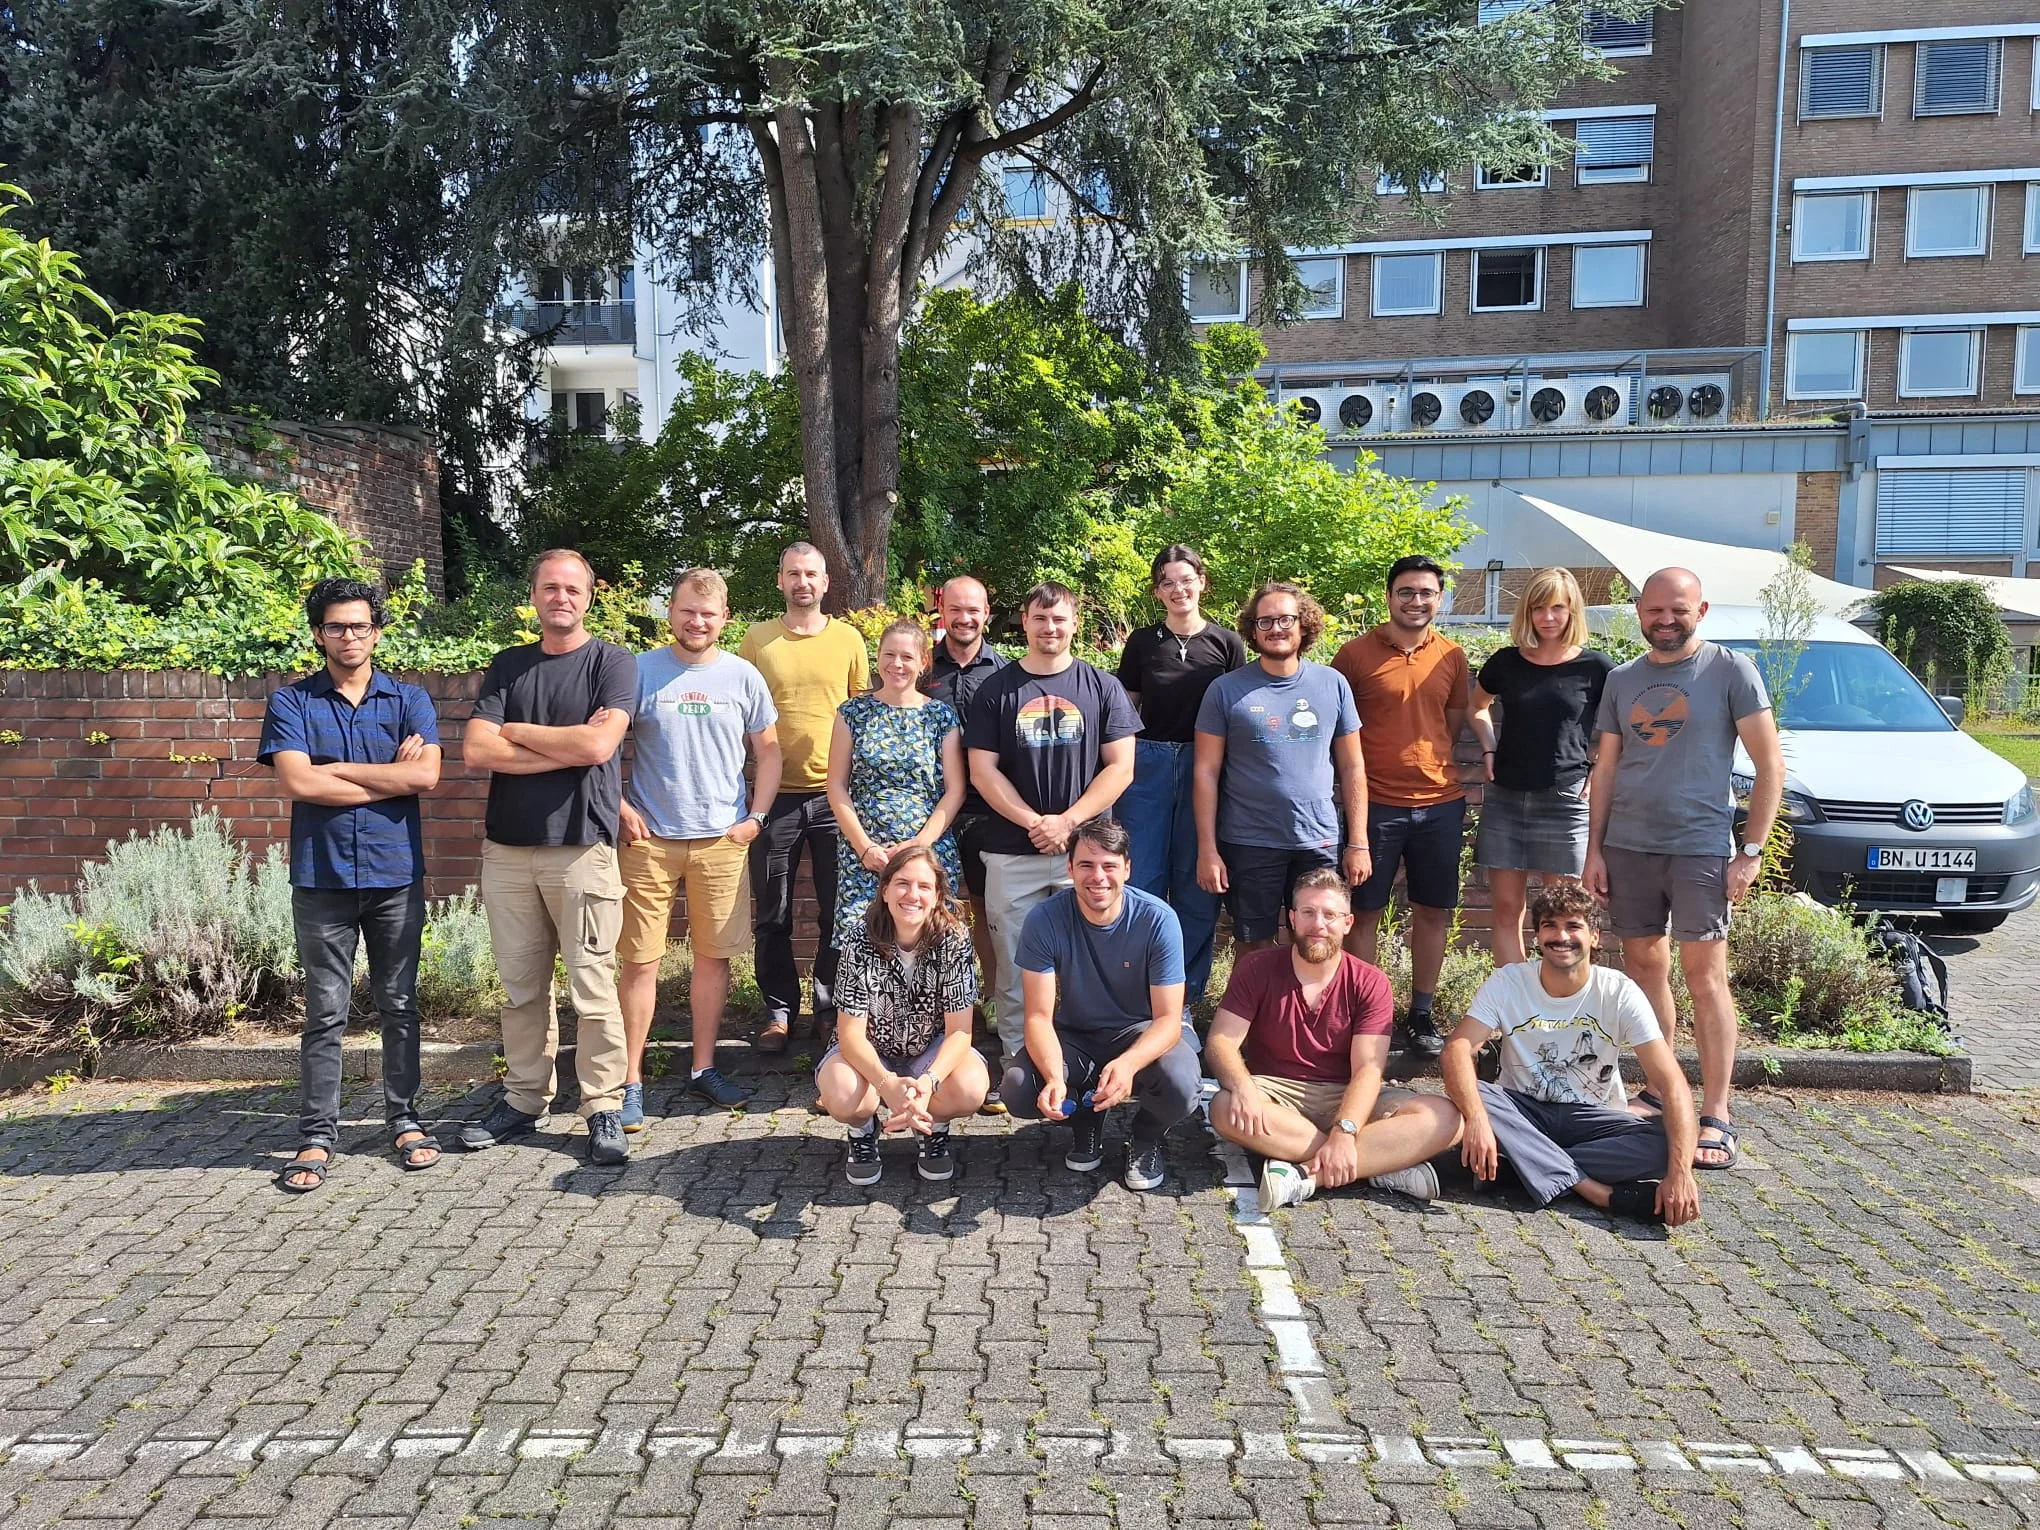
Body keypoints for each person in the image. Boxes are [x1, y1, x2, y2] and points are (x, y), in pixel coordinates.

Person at [1585, 567, 1784, 1172]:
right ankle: (1660, 1090)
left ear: (1701, 611)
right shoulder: (1622, 680)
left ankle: (1717, 1113)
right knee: (1646, 970)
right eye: (1655, 610)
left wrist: (1750, 851)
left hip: (1700, 848)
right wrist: (1595, 850)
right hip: (1629, 846)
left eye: (1678, 609)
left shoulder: (1731, 671)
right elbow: (1606, 770)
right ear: (1639, 612)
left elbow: (1769, 766)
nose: (1665, 619)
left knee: (1706, 977)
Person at [260, 578, 444, 1193]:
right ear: (319, 634)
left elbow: (427, 777)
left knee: (400, 1004)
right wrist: (389, 776)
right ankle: (316, 1135)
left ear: (377, 632)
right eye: (336, 626)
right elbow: (299, 784)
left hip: (395, 875)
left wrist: (336, 770)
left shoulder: (409, 700)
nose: (349, 636)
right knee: (326, 1011)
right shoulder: (292, 702)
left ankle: (406, 1121)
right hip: (323, 877)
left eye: (360, 625)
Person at [459, 549, 637, 1165]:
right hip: (508, 851)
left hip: (581, 849)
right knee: (520, 989)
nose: (561, 597)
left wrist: (515, 731)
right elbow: (476, 751)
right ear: (534, 595)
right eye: (550, 588)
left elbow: (599, 745)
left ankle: (603, 1106)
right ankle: (524, 1098)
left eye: (572, 589)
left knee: (593, 986)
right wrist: (565, 746)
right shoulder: (509, 665)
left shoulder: (612, 663)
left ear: (589, 596)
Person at [1439, 879, 1702, 1225]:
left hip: (1593, 1119)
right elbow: (1456, 1049)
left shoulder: (1619, 992)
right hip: (1522, 1112)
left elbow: (1673, 1085)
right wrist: (1476, 1119)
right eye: (1550, 925)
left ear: (1595, 937)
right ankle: (1594, 1190)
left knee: (1666, 1144)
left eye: (1573, 926)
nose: (1561, 936)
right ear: (1537, 936)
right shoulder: (1509, 982)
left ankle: (1516, 1168)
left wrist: (1681, 1173)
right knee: (1477, 1095)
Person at [617, 569, 781, 1120]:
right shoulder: (638, 671)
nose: (697, 621)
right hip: (649, 841)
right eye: (687, 610)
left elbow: (769, 751)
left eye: (708, 613)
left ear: (725, 619)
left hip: (721, 840)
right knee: (640, 961)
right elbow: (603, 747)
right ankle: (630, 1079)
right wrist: (619, 807)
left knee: (713, 958)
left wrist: (756, 818)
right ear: (670, 611)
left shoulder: (743, 676)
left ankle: (703, 1069)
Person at [1207, 869, 1463, 1210]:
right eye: (1308, 912)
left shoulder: (1370, 982)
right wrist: (1242, 1087)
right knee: (1224, 1107)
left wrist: (1345, 1130)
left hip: (1346, 1094)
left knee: (1446, 1118)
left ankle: (1306, 1175)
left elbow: (1368, 1070)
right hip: (1276, 1093)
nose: (1318, 924)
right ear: (1292, 918)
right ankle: (1378, 1164)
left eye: (1330, 915)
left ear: (1347, 923)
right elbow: (1221, 1042)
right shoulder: (1257, 967)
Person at [965, 582, 1140, 1082]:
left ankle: (1089, 1063)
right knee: (1015, 966)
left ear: (1075, 623)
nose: (1050, 628)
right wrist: (1035, 822)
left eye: (1060, 619)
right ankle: (1020, 1066)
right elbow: (982, 771)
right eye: (1040, 618)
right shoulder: (996, 690)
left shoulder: (1102, 687)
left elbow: (1121, 767)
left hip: (1086, 855)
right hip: (1010, 850)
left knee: (1092, 962)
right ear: (1024, 622)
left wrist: (1068, 822)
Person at [1000, 816, 1202, 1192]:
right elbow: (1038, 1017)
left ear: (1127, 869)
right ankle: (1085, 1116)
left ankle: (1146, 1135)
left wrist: (1128, 1064)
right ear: (1069, 868)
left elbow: (1168, 1019)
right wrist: (1055, 1079)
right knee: (1018, 1088)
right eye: (1086, 865)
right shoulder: (1044, 919)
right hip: (1076, 1034)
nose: (1098, 877)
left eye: (1109, 865)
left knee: (1181, 1084)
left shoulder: (1158, 920)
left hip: (1142, 1029)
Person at [1333, 555, 1472, 1059]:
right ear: (1389, 596)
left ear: (1440, 598)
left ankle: (1421, 1013)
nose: (1416, 601)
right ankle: (1367, 1015)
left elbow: (1450, 724)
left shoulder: (1452, 656)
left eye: (1426, 593)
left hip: (1441, 804)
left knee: (1432, 911)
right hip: (1374, 805)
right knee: (1363, 911)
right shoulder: (1354, 655)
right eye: (1406, 592)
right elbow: (1338, 730)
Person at [738, 542, 871, 1055]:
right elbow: (740, 714)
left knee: (838, 912)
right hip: (774, 799)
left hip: (836, 798)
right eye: (793, 573)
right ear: (780, 580)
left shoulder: (849, 639)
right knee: (773, 912)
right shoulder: (758, 640)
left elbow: (862, 713)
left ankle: (830, 1007)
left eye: (811, 574)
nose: (802, 582)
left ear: (825, 582)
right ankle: (778, 1012)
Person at [1194, 581, 1369, 953]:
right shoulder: (1225, 690)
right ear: (1253, 630)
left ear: (1304, 624)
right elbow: (1206, 772)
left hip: (1318, 839)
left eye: (1286, 619)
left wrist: (1358, 842)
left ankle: (1311, 997)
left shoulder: (1333, 684)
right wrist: (1207, 850)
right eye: (1266, 621)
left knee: (1317, 939)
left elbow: (1353, 766)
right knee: (1253, 945)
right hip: (1248, 841)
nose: (1276, 628)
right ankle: (1257, 997)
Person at [1117, 545, 1246, 1005]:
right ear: (1157, 591)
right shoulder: (1142, 642)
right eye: (1167, 582)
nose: (1178, 589)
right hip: (1147, 763)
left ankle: (1184, 999)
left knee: (1197, 883)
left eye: (1186, 579)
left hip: (1205, 764)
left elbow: (1238, 711)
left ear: (1202, 583)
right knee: (1141, 878)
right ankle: (1137, 993)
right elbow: (1126, 711)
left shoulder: (1227, 643)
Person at [817, 845, 991, 1185]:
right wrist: (887, 1084)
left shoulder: (954, 940)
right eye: (902, 884)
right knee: (842, 1093)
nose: (913, 895)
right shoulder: (858, 939)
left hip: (929, 1050)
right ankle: (862, 1130)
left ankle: (932, 1126)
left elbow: (960, 1032)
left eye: (924, 886)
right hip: (869, 1051)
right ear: (884, 891)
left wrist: (928, 1084)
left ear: (937, 895)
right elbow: (850, 1034)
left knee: (971, 1088)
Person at [1468, 568, 1616, 966]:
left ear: (1572, 611)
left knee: (1564, 914)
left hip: (1565, 801)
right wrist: (1488, 748)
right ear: (1526, 612)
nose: (1548, 617)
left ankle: (1563, 1000)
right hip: (1506, 799)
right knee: (1506, 910)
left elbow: (1618, 727)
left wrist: (1598, 769)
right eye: (1538, 608)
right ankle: (1515, 1002)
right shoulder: (1506, 662)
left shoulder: (1596, 667)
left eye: (1557, 608)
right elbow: (1477, 706)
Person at [827, 619, 965, 939]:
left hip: (926, 853)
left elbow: (955, 789)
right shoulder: (852, 713)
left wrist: (920, 844)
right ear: (878, 657)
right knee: (862, 942)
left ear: (923, 662)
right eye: (889, 655)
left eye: (907, 656)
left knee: (929, 942)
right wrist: (864, 848)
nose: (897, 664)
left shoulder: (940, 716)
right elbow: (836, 786)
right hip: (865, 855)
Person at [920, 575, 1008, 1061]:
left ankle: (992, 996)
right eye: (955, 609)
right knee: (931, 908)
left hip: (986, 809)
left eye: (973, 609)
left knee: (987, 908)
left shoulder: (1006, 671)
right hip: (927, 809)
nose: (965, 618)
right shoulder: (921, 668)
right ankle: (935, 1003)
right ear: (942, 612)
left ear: (986, 613)